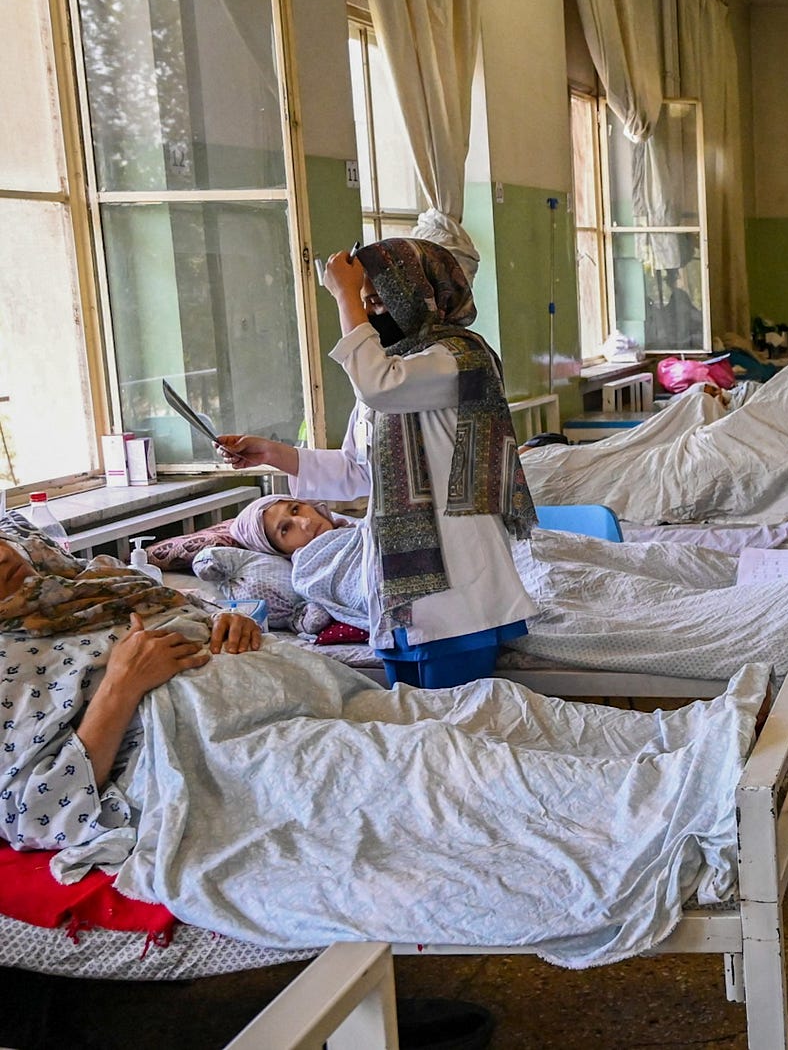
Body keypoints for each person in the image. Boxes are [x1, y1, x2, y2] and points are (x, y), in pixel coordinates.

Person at [217, 238, 537, 689]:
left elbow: (379, 385)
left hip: (458, 590)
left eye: (379, 300)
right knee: (410, 728)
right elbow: (355, 469)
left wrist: (344, 294)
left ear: (423, 294)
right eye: (365, 302)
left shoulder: (462, 358)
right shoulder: (389, 370)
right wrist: (272, 454)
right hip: (396, 590)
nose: (369, 314)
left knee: (458, 733)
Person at [0, 520, 261, 852]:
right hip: (210, 748)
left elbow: (188, 606)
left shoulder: (99, 578)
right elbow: (35, 814)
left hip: (262, 680)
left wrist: (225, 619)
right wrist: (120, 686)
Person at [229, 493, 344, 557]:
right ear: (279, 551)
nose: (305, 522)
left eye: (295, 509)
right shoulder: (315, 578)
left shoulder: (351, 529)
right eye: (285, 529)